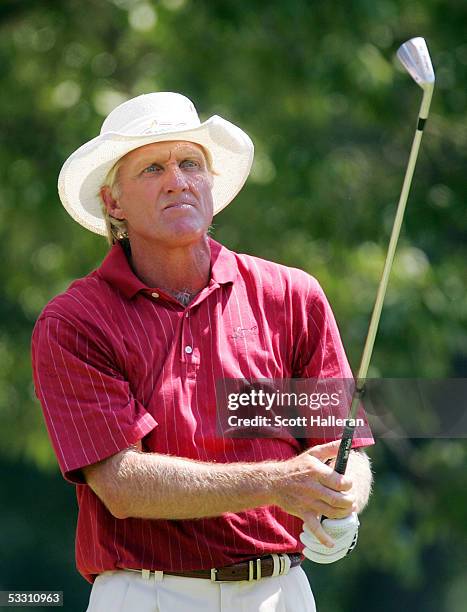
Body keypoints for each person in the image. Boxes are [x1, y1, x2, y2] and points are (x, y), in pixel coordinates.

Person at [32, 92, 374, 612]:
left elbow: (341, 451)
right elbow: (124, 485)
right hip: (146, 593)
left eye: (190, 162)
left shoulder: (292, 296)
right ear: (114, 203)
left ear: (210, 181)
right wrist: (281, 483)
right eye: (152, 168)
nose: (177, 180)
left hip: (281, 592)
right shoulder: (75, 321)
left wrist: (342, 499)